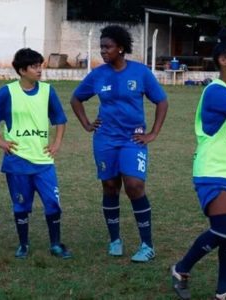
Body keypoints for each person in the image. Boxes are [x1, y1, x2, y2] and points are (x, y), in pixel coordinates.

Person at [171, 28, 226, 300]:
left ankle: (224, 290)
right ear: (223, 60)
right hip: (213, 174)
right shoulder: (215, 92)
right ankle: (181, 268)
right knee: (221, 230)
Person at [70, 25, 168, 262]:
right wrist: (86, 123)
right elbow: (76, 98)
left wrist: (153, 133)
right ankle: (115, 240)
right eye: (101, 47)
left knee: (134, 186)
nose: (103, 51)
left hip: (132, 139)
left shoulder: (140, 73)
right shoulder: (98, 74)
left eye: (108, 47)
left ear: (121, 48)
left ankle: (147, 245)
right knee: (110, 186)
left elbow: (162, 101)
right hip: (105, 140)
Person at [0, 48, 71, 259]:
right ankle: (23, 244)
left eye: (40, 66)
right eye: (34, 67)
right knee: (21, 205)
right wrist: (0, 141)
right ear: (22, 70)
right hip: (17, 161)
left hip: (44, 161)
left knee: (53, 204)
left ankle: (56, 244)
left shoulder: (48, 91)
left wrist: (56, 143)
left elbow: (60, 119)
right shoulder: (7, 92)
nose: (39, 70)